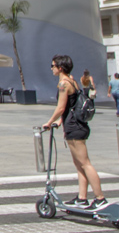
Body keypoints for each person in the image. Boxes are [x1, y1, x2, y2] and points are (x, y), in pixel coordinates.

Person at [42, 54, 106, 209]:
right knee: (79, 164)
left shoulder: (63, 84)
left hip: (74, 128)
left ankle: (100, 198)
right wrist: (59, 121)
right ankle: (82, 198)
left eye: (53, 66)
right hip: (76, 124)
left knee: (85, 163)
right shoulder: (72, 81)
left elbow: (61, 107)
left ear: (60, 68)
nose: (51, 69)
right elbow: (72, 106)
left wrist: (49, 122)